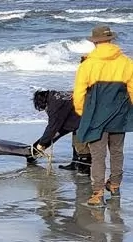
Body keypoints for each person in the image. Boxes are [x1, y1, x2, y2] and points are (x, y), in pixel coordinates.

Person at [73, 25, 133, 207]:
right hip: (119, 113)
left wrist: (82, 112)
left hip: (95, 115)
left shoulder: (88, 64)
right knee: (116, 151)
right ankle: (114, 184)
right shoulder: (126, 62)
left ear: (95, 42)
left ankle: (98, 193)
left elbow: (78, 93)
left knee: (97, 155)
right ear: (111, 40)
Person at [31, 89, 91, 175]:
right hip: (80, 112)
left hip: (85, 116)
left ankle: (85, 169)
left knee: (80, 144)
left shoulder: (54, 105)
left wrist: (41, 144)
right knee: (75, 141)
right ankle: (75, 164)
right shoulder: (55, 95)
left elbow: (52, 127)